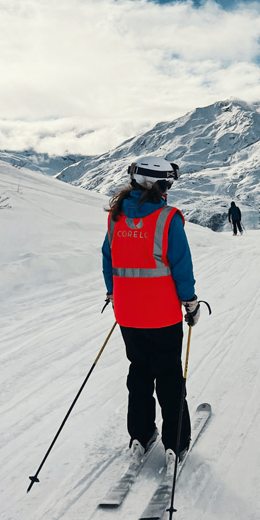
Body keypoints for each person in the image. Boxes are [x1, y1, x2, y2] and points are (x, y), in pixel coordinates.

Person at [102, 156, 201, 467]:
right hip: (161, 316)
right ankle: (175, 443)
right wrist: (191, 302)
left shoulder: (115, 216)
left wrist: (113, 293)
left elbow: (109, 259)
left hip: (128, 315)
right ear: (160, 185)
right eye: (168, 183)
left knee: (140, 372)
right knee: (169, 376)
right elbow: (181, 265)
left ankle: (141, 435)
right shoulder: (168, 218)